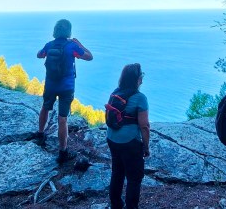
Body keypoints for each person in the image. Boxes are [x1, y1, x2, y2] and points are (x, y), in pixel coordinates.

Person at [35, 18, 93, 163]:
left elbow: (39, 55)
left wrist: (46, 51)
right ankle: (63, 152)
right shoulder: (72, 46)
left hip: (50, 85)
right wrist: (79, 44)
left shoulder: (49, 45)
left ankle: (40, 135)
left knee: (45, 108)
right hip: (66, 87)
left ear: (55, 31)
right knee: (62, 119)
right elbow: (89, 57)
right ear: (68, 31)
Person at [106, 63, 150, 209]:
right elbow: (144, 126)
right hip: (129, 142)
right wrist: (146, 146)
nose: (142, 80)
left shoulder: (115, 92)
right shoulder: (140, 98)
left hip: (112, 138)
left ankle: (116, 204)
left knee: (117, 171)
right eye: (141, 77)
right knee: (134, 178)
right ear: (136, 80)